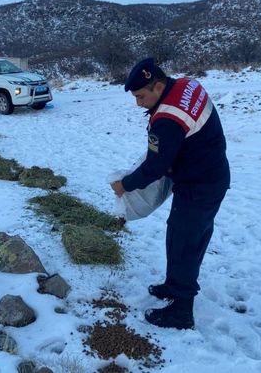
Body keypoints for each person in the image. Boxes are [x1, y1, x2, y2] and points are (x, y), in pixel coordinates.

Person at [111, 58, 230, 329]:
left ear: (158, 85)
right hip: (210, 174)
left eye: (141, 96)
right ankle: (173, 285)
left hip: (199, 184)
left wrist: (124, 185)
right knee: (182, 235)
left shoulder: (167, 119)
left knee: (185, 242)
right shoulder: (187, 85)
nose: (138, 103)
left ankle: (181, 312)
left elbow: (155, 167)